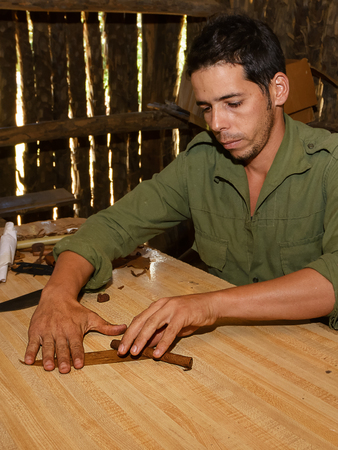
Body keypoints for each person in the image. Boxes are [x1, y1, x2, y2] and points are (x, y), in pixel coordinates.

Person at [25, 14, 338, 374]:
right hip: (227, 354)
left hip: (315, 360)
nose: (217, 124)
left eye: (233, 103)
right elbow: (114, 224)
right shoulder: (201, 161)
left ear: (278, 90)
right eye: (206, 107)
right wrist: (58, 294)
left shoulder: (330, 164)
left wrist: (208, 306)